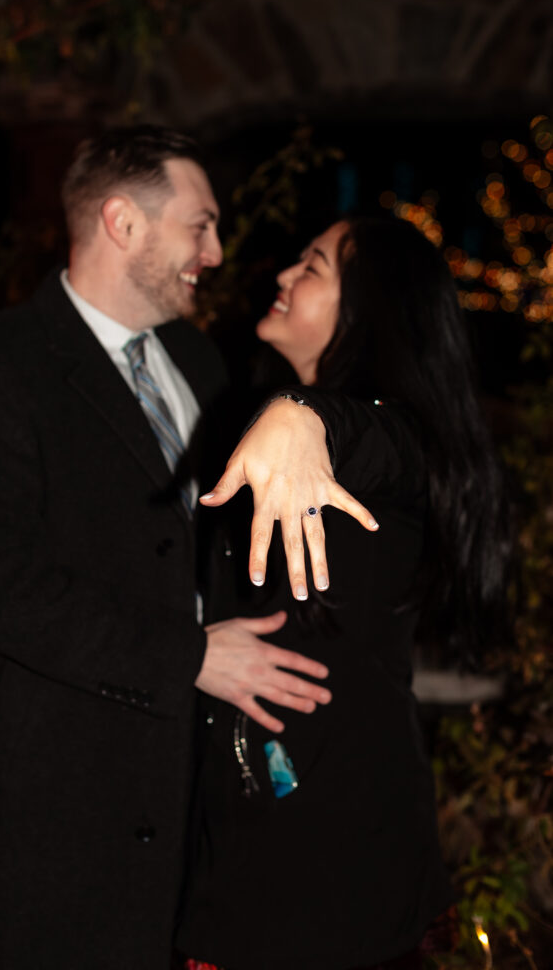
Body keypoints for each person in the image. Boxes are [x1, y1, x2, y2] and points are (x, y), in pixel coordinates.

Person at [0, 126, 377, 970]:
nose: (216, 250)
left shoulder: (200, 364)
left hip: (177, 816)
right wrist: (189, 657)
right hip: (39, 828)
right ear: (123, 223)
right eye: (199, 225)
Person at [177, 216, 510, 970]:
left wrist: (304, 416)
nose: (285, 276)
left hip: (329, 875)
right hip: (269, 846)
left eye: (315, 267)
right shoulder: (259, 423)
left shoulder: (399, 445)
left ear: (369, 311)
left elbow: (378, 441)